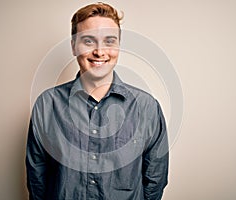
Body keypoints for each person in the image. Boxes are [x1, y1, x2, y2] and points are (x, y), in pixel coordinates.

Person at [26, 2, 169, 200]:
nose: (100, 52)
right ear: (74, 46)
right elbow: (37, 180)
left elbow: (155, 179)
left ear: (118, 46)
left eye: (109, 41)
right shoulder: (47, 105)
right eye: (88, 41)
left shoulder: (147, 107)